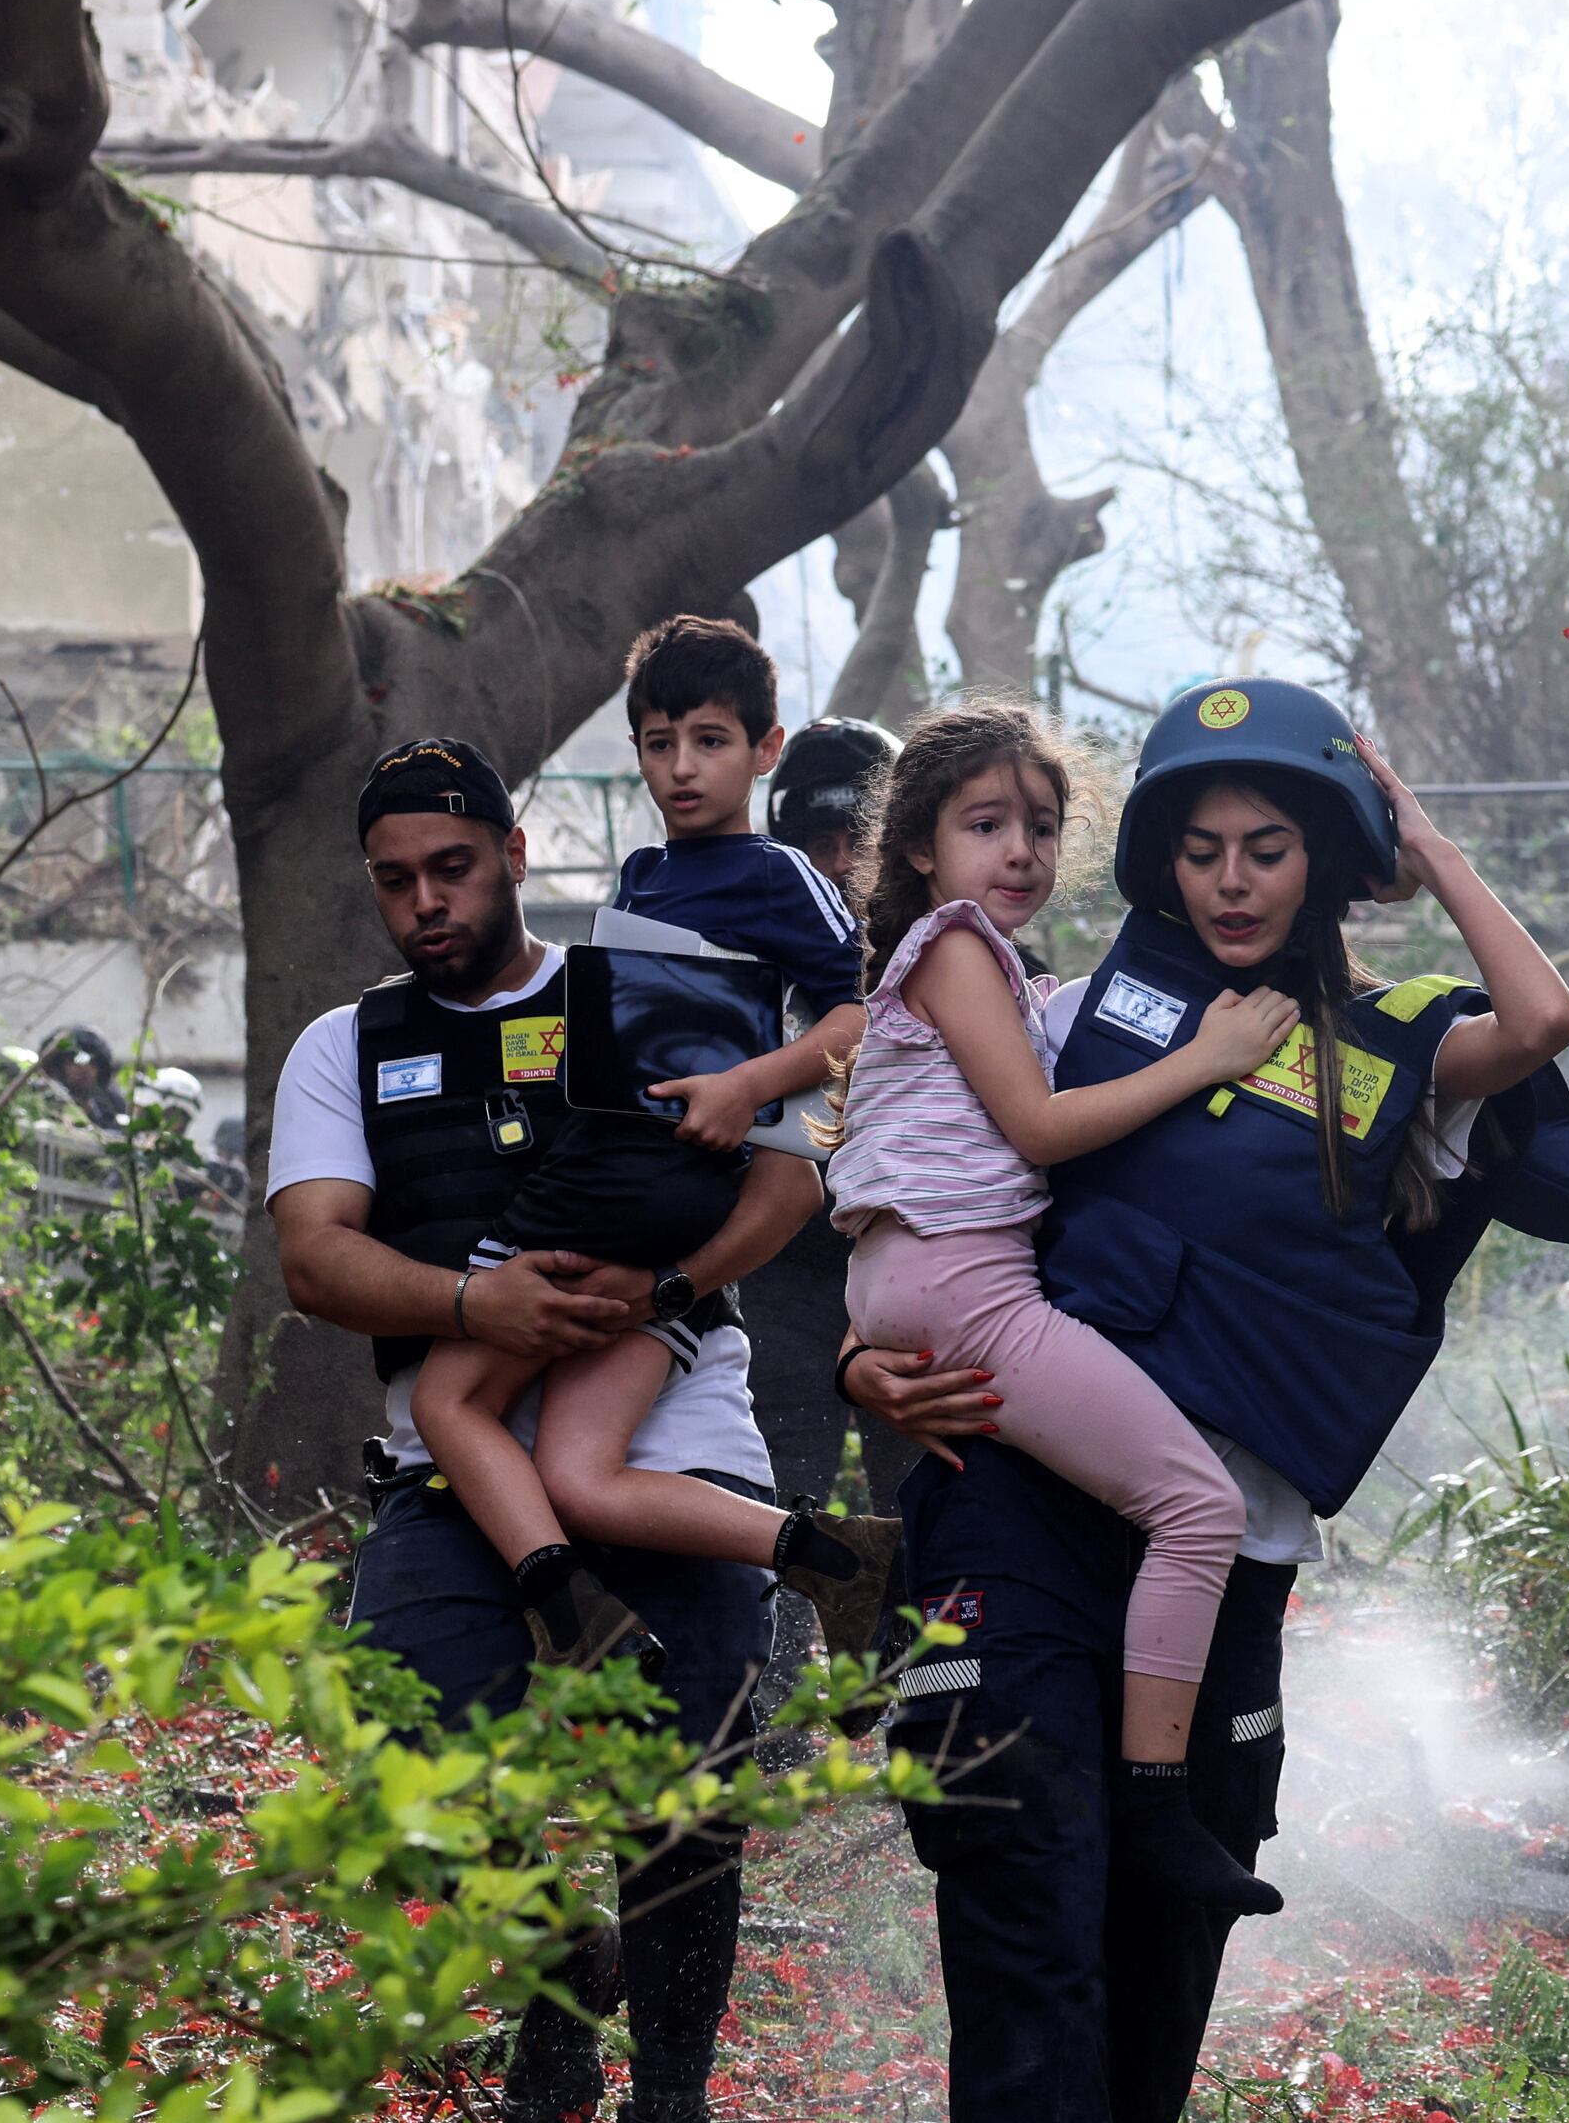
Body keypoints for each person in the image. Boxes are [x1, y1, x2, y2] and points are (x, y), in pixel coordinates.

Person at [839, 679, 1569, 2123]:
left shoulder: (1392, 1052)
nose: (1235, 881)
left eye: (1276, 844)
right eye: (1204, 846)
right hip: (1017, 1504)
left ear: (1329, 862)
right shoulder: (1078, 1009)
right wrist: (860, 1375)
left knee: (1172, 1909)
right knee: (1025, 1893)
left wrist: (1423, 826)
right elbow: (924, 1180)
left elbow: (1539, 1019)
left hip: (1228, 1556)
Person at [262, 733, 825, 2123]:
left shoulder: (633, 984)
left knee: (687, 1776)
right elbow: (316, 1253)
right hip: (456, 1461)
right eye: (397, 880)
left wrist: (672, 1281)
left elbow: (790, 1176)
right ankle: (557, 1951)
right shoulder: (348, 1044)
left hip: (671, 1436)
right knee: (395, 1730)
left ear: (516, 846)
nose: (428, 903)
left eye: (453, 867)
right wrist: (472, 1306)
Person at [827, 703, 1301, 1914]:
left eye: (1040, 825)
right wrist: (1209, 1055)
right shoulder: (954, 948)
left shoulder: (989, 969)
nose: (1021, 849)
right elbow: (1039, 1128)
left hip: (913, 1282)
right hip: (963, 1279)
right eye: (986, 824)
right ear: (922, 847)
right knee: (1196, 1505)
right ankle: (1155, 1801)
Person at [399, 621, 897, 1665]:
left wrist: (750, 1084)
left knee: (446, 1399)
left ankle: (564, 1607)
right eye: (658, 742)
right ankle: (832, 1556)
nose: (680, 766)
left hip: (635, 1185)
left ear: (765, 750)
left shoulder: (774, 874)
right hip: (644, 1204)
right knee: (582, 1472)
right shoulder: (638, 873)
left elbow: (866, 1015)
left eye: (709, 741)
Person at [742, 716, 898, 1531]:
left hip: (918, 1284)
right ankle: (770, 1658)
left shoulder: (979, 967)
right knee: (771, 1511)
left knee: (927, 1513)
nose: (841, 863)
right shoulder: (739, 977)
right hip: (781, 1282)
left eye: (862, 837)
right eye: (817, 841)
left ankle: (924, 1663)